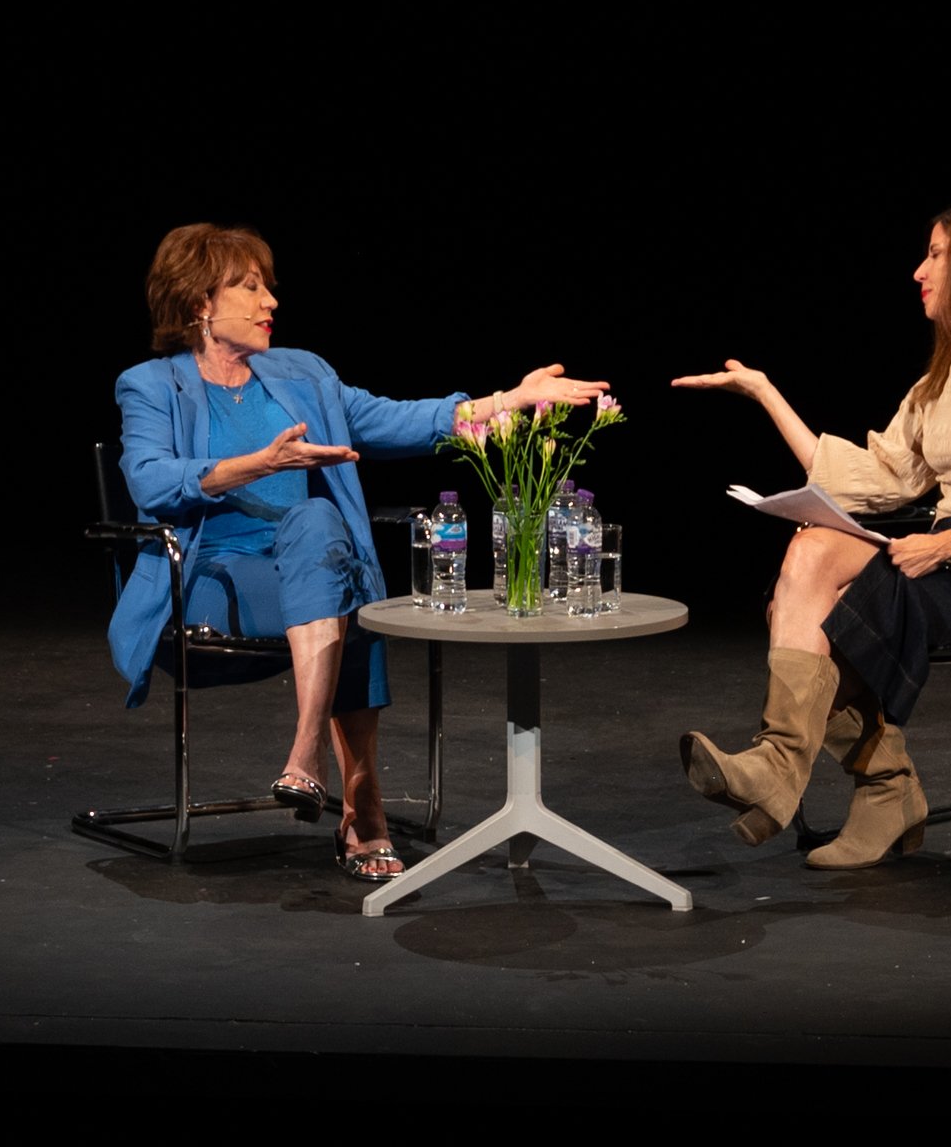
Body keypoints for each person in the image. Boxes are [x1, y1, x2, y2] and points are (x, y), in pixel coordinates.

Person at [109, 223, 606, 882]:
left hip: (306, 564)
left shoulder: (303, 373)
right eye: (250, 286)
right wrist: (261, 462)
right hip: (209, 573)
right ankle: (360, 804)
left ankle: (309, 757)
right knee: (347, 582)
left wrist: (506, 401)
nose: (270, 302)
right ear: (200, 301)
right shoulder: (151, 385)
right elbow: (148, 479)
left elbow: (399, 418)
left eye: (269, 287)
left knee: (322, 527)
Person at [671, 199, 951, 869]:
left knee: (846, 607)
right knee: (807, 557)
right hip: (946, 554)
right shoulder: (944, 375)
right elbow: (874, 477)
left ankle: (834, 778)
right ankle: (852, 780)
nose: (918, 270)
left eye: (936, 255)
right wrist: (764, 394)